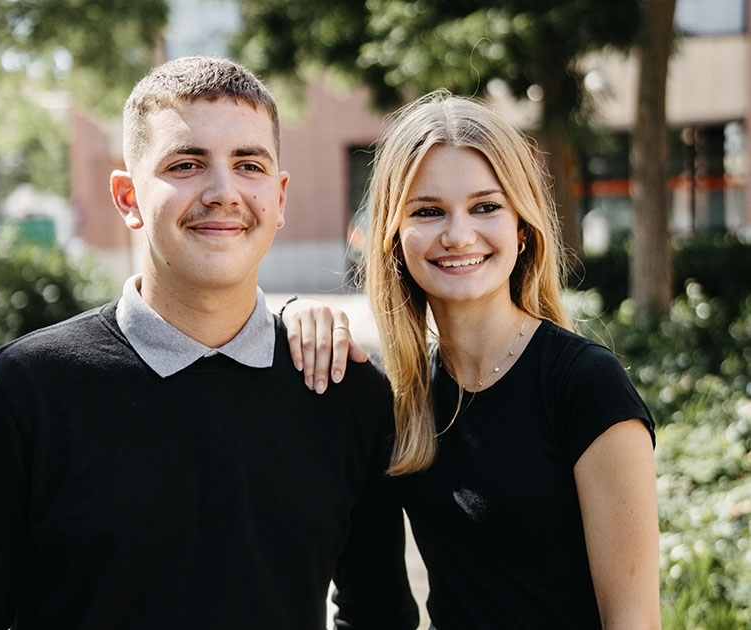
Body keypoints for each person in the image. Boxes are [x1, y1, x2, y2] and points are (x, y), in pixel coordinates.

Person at [0, 56, 419, 630]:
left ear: (278, 198)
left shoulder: (345, 392)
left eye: (248, 164)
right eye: (187, 163)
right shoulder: (24, 391)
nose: (224, 191)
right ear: (128, 197)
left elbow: (380, 613)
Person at [283, 90, 661, 628]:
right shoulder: (409, 399)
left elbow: (634, 621)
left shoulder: (584, 385)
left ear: (522, 228)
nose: (459, 234)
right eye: (429, 211)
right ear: (393, 236)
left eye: (485, 206)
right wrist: (296, 315)